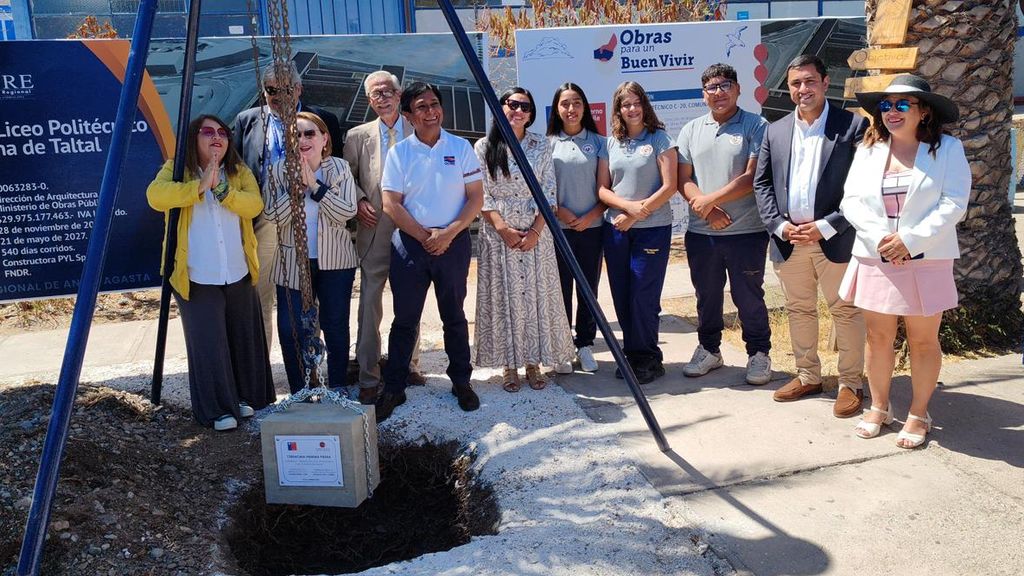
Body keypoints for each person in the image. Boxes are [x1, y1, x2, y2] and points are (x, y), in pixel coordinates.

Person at [839, 75, 970, 448]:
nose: (891, 112)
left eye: (901, 104)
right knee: (878, 337)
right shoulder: (869, 149)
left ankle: (918, 413)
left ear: (923, 111)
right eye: (885, 105)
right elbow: (851, 201)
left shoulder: (948, 149)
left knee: (923, 341)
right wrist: (883, 240)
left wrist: (909, 241)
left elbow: (954, 203)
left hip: (927, 259)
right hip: (876, 256)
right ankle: (879, 407)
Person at [753, 54, 868, 418]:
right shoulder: (775, 130)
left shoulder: (852, 126)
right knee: (799, 309)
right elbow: (762, 184)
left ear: (824, 82)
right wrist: (778, 225)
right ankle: (808, 376)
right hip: (789, 240)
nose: (803, 89)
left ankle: (851, 383)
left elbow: (863, 187)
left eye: (809, 81)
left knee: (845, 311)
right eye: (795, 83)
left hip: (835, 238)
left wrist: (827, 225)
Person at [146, 115, 275, 431]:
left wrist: (223, 191)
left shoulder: (238, 171)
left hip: (237, 271)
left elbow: (254, 205)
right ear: (194, 138)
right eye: (208, 132)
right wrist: (198, 187)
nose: (217, 137)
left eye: (223, 132)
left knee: (242, 337)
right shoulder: (178, 169)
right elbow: (155, 196)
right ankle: (217, 410)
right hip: (196, 275)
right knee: (208, 343)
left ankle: (242, 398)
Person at [375, 82, 484, 421]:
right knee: (405, 320)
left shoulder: (460, 147)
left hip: (453, 242)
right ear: (408, 115)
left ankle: (461, 382)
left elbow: (476, 198)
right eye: (421, 107)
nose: (431, 112)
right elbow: (391, 204)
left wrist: (448, 233)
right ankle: (394, 387)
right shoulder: (400, 153)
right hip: (411, 245)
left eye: (435, 104)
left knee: (454, 317)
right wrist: (425, 237)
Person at [231, 62, 343, 351]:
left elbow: (338, 169)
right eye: (272, 91)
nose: (279, 96)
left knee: (310, 297)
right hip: (266, 220)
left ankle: (311, 362)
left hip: (312, 219)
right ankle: (262, 370)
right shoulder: (247, 120)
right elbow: (236, 170)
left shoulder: (323, 120)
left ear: (299, 89)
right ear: (264, 92)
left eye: (286, 89)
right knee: (260, 296)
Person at [474, 87, 575, 392]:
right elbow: (481, 194)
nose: (519, 111)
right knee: (504, 298)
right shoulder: (483, 147)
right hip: (498, 234)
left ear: (531, 115)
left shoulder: (540, 145)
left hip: (535, 231)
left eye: (525, 107)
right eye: (513, 104)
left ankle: (533, 362)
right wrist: (503, 229)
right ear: (501, 107)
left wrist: (535, 231)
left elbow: (549, 191)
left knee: (535, 297)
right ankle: (509, 364)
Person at [677, 63, 772, 385]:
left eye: (725, 85)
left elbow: (752, 176)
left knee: (748, 297)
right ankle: (709, 349)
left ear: (738, 89)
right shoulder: (691, 129)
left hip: (746, 232)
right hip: (702, 233)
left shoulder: (756, 125)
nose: (718, 92)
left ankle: (758, 353)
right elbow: (683, 179)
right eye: (711, 87)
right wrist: (707, 211)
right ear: (703, 94)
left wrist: (710, 200)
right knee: (707, 296)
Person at [342, 71, 426, 406]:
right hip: (374, 227)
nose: (384, 97)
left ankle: (410, 365)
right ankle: (368, 375)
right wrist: (360, 199)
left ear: (399, 93)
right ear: (369, 100)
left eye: (389, 90)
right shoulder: (357, 136)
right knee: (369, 305)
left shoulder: (418, 128)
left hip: (411, 228)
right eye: (377, 93)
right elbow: (346, 175)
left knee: (410, 300)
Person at [266, 111, 357, 393]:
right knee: (291, 328)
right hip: (293, 262)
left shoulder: (339, 168)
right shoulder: (278, 170)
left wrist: (316, 187)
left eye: (309, 133)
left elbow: (346, 212)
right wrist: (295, 190)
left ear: (324, 139)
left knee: (335, 323)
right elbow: (273, 216)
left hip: (336, 262)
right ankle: (301, 389)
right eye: (296, 134)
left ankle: (338, 384)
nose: (303, 139)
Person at [598, 81, 678, 384]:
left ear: (644, 105)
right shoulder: (611, 143)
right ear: (618, 109)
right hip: (616, 229)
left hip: (652, 230)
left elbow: (669, 186)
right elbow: (603, 189)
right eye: (625, 104)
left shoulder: (660, 139)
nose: (631, 109)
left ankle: (648, 358)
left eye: (636, 102)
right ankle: (632, 355)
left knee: (644, 295)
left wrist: (635, 214)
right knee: (622, 294)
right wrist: (626, 208)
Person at [547, 83, 609, 374]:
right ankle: (562, 347)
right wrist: (562, 212)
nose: (571, 109)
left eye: (576, 103)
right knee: (560, 289)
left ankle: (584, 344)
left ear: (585, 107)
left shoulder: (599, 142)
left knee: (587, 288)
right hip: (558, 229)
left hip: (592, 228)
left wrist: (589, 216)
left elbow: (606, 188)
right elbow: (543, 188)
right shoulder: (547, 144)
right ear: (556, 109)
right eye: (565, 104)